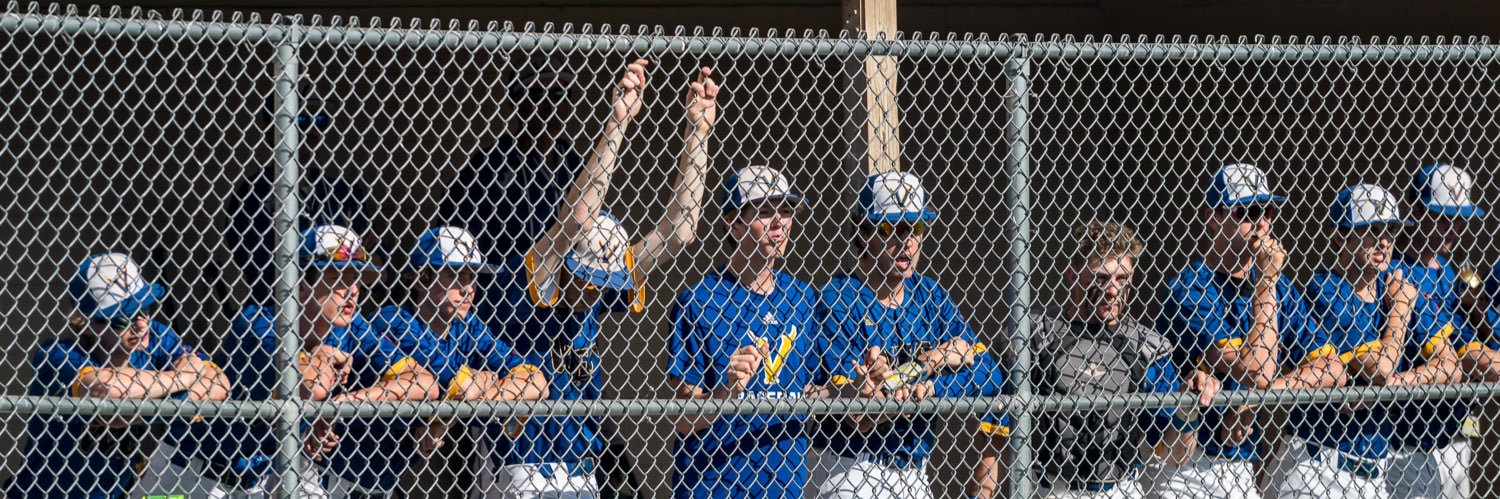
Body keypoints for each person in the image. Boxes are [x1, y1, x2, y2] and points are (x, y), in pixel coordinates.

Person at [483, 59, 719, 497]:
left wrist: (697, 137)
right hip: (522, 465)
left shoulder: (598, 285)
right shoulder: (538, 275)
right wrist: (618, 121)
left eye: (602, 285)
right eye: (589, 282)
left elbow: (678, 234)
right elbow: (576, 218)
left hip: (582, 465)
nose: (595, 294)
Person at [967, 220, 1220, 499]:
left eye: (1122, 279)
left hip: (1119, 489)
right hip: (1053, 488)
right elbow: (996, 430)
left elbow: (1175, 456)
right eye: (1100, 278)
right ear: (1073, 274)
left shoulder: (1146, 347)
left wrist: (1189, 407)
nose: (1112, 290)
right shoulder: (1035, 335)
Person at [1147, 163, 1345, 499]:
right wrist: (1265, 281)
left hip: (1239, 463)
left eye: (1266, 210)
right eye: (1246, 211)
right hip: (1184, 462)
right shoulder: (1192, 286)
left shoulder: (1280, 289)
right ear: (1213, 217)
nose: (1262, 222)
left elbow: (1334, 370)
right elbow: (1256, 371)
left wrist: (1253, 403)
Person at [809, 171, 1001, 499]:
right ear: (863, 232)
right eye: (891, 228)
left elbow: (989, 372)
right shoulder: (838, 299)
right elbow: (862, 413)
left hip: (914, 470)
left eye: (916, 227)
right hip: (850, 468)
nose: (907, 240)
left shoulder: (930, 295)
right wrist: (932, 361)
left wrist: (932, 382)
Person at [217, 224, 439, 498]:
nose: (353, 290)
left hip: (268, 476)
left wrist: (342, 405)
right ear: (299, 285)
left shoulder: (351, 326)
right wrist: (322, 353)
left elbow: (425, 383)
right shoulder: (260, 323)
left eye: (356, 277)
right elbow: (315, 387)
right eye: (338, 278)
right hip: (198, 474)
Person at [1274, 184, 1461, 499]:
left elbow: (1450, 367)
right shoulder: (1328, 288)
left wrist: (1398, 385)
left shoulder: (1398, 285)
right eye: (1370, 229)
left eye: (1389, 229)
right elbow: (1381, 368)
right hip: (1317, 464)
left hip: (1376, 474)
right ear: (1340, 236)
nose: (1384, 240)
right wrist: (1401, 310)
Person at [6, 252, 230, 498]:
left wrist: (135, 409)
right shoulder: (59, 355)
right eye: (124, 319)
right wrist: (182, 381)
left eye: (144, 309)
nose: (142, 324)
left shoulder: (153, 336)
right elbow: (110, 391)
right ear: (89, 322)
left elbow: (219, 384)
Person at [667, 165, 829, 498]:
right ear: (734, 224)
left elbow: (810, 388)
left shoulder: (801, 297)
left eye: (786, 211)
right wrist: (725, 392)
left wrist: (852, 390)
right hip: (713, 484)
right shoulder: (699, 300)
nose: (779, 223)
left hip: (785, 485)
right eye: (765, 211)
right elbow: (682, 421)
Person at [376, 226, 550, 497]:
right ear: (423, 277)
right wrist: (485, 382)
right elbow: (459, 386)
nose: (468, 288)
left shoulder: (467, 326)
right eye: (455, 275)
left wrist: (448, 415)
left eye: (471, 277)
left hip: (383, 480)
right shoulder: (395, 320)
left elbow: (537, 381)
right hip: (333, 464)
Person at [1392, 163, 1491, 498]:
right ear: (1417, 209)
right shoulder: (1393, 269)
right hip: (1404, 438)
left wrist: (1479, 315)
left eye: (1459, 218)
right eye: (1442, 216)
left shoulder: (1450, 273)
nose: (1453, 228)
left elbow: (1473, 347)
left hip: (1455, 431)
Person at [227, 82, 373, 306]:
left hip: (335, 310)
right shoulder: (253, 195)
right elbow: (264, 272)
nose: (312, 130)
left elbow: (377, 268)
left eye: (321, 121)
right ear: (271, 127)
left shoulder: (344, 192)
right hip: (275, 310)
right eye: (302, 120)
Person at [440, 55, 580, 261]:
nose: (550, 105)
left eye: (559, 94)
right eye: (537, 95)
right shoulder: (491, 166)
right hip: (507, 288)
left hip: (565, 289)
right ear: (516, 102)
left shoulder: (574, 164)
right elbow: (454, 235)